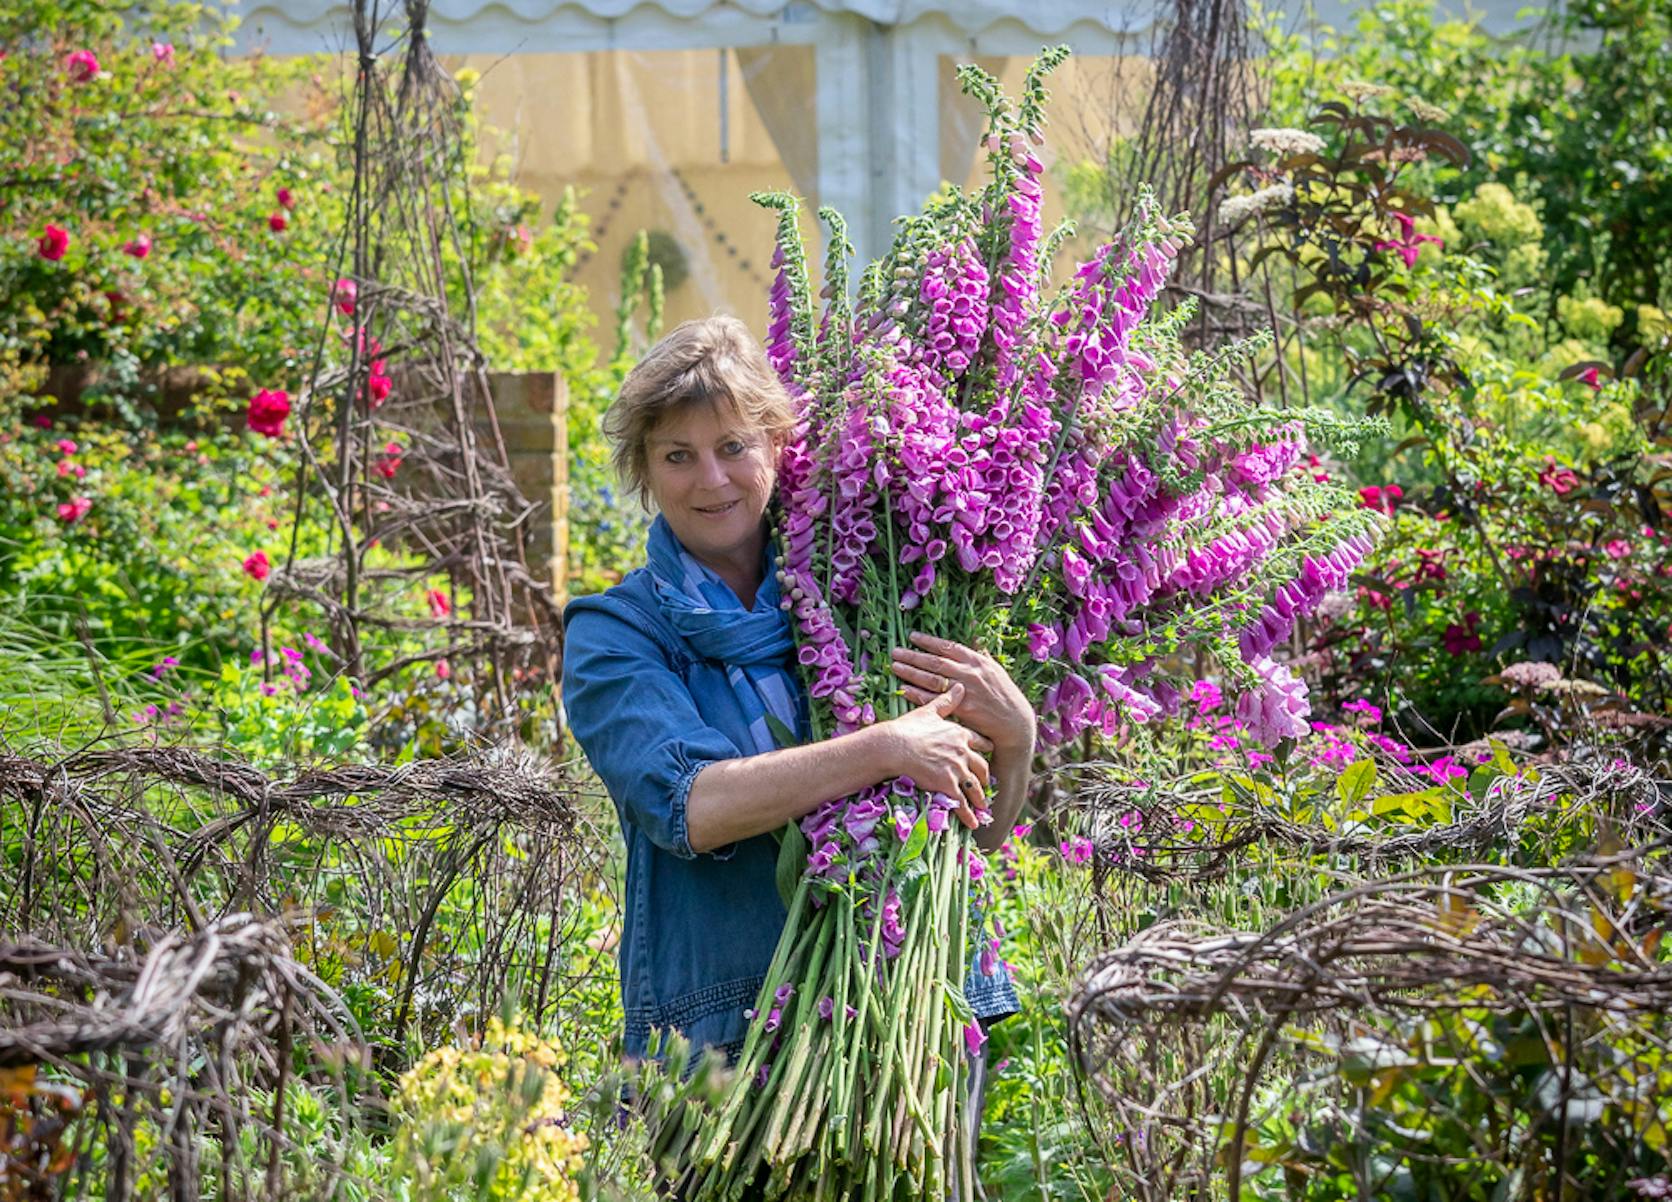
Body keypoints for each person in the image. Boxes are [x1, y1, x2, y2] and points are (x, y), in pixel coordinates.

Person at [561, 315, 1034, 1080]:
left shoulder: (872, 590)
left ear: (779, 445)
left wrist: (1015, 740)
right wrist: (883, 747)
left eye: (734, 447)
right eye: (677, 456)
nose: (711, 480)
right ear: (644, 473)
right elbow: (694, 809)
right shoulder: (615, 634)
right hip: (730, 1042)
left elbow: (968, 836)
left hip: (918, 1022)